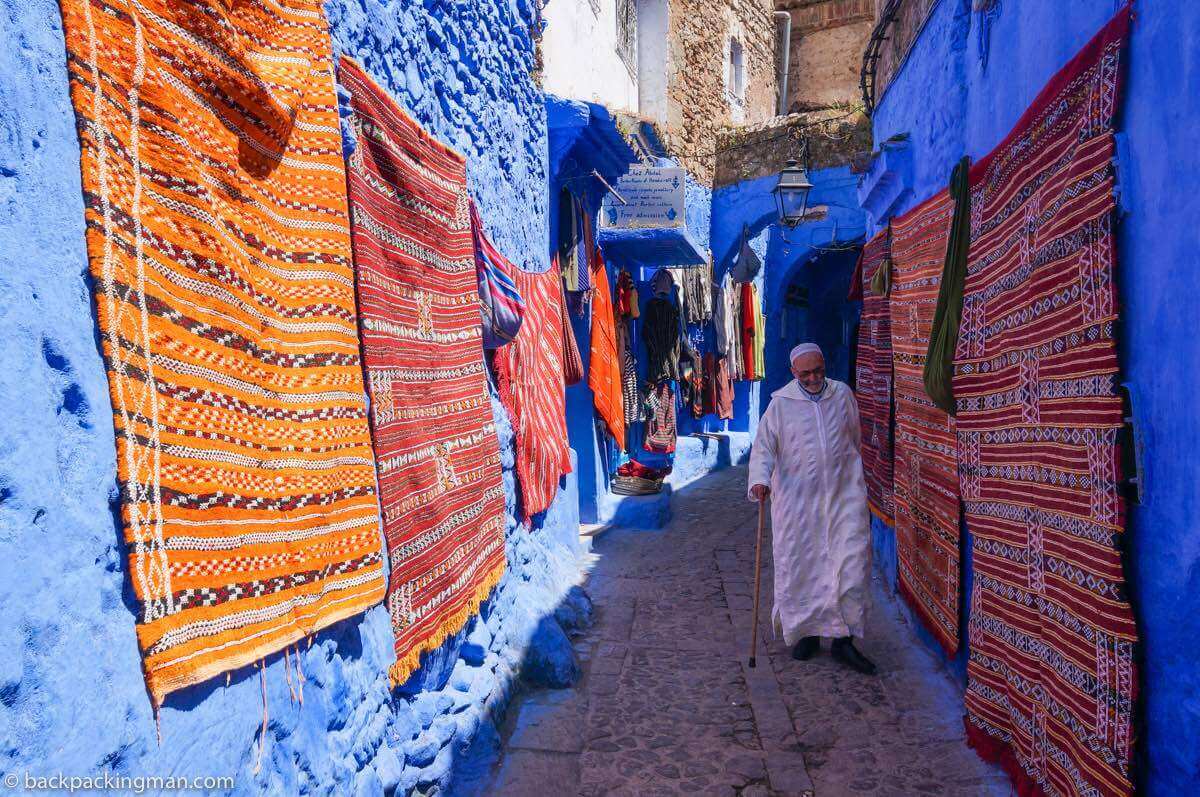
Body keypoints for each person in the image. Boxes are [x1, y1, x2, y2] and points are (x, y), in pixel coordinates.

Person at [748, 343, 876, 675]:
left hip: (843, 495)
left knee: (850, 565)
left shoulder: (842, 395)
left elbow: (853, 438)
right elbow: (764, 448)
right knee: (802, 568)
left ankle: (844, 641)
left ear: (824, 366)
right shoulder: (780, 405)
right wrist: (760, 480)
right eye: (805, 373)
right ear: (794, 373)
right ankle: (806, 634)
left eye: (818, 370)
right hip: (798, 506)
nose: (813, 378)